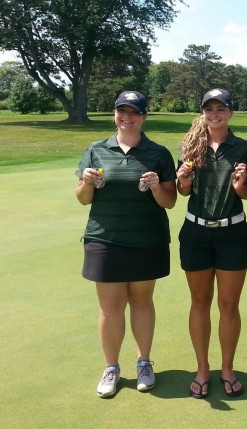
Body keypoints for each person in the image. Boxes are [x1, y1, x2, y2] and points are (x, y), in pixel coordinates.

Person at [75, 91, 177, 398]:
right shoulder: (96, 150)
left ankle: (144, 363)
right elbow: (82, 198)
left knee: (142, 302)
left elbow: (169, 202)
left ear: (144, 116)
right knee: (110, 308)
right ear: (115, 114)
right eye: (122, 111)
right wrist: (87, 182)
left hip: (146, 239)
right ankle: (111, 368)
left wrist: (157, 186)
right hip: (104, 239)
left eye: (134, 112)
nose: (127, 117)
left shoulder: (158, 153)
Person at [176, 88, 247, 399]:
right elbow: (183, 192)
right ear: (203, 112)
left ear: (230, 113)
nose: (215, 114)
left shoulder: (244, 147)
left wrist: (240, 186)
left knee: (228, 305)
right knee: (199, 302)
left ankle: (227, 368)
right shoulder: (190, 146)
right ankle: (202, 368)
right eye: (210, 109)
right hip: (196, 233)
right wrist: (183, 180)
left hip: (231, 234)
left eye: (221, 108)